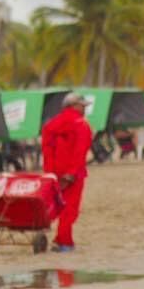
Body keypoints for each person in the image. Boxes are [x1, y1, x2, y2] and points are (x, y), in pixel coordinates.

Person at [41, 92, 94, 252]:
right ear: (73, 106)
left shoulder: (51, 124)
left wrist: (50, 172)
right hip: (73, 175)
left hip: (54, 173)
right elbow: (80, 152)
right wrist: (71, 172)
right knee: (70, 209)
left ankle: (60, 239)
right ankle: (64, 242)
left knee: (56, 206)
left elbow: (46, 149)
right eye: (82, 106)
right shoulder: (81, 124)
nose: (84, 109)